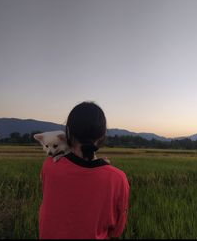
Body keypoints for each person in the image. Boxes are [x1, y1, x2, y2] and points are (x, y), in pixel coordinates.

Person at [38, 101, 130, 239]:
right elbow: (116, 231)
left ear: (68, 132)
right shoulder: (117, 178)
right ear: (102, 135)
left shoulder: (50, 165)